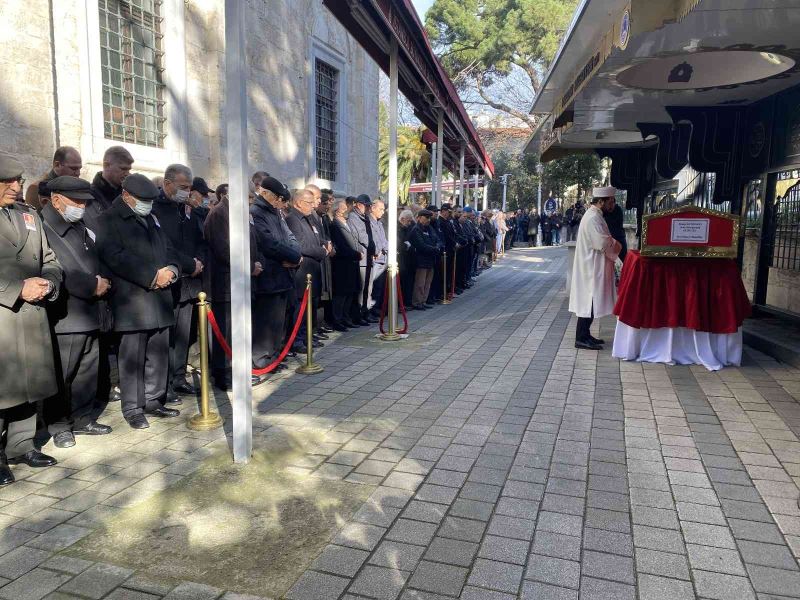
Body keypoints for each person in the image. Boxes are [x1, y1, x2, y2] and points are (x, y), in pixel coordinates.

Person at [95, 174, 181, 429]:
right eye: (143, 200)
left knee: (158, 352)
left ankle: (154, 399)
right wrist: (152, 276)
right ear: (126, 196)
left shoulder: (150, 218)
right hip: (132, 299)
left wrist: (173, 270)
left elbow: (168, 249)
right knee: (132, 357)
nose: (148, 205)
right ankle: (132, 407)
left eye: (150, 201)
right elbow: (114, 256)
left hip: (161, 297)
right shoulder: (108, 220)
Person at [0, 154, 62, 483]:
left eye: (18, 180)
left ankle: (22, 445)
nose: (16, 186)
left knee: (28, 384)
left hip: (32, 313)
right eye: (7, 181)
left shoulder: (28, 215)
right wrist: (16, 288)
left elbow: (49, 257)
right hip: (4, 316)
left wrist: (48, 282)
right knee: (3, 386)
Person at [42, 176, 114, 448]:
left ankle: (82, 418)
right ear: (57, 199)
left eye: (85, 201)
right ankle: (59, 425)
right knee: (64, 373)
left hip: (91, 310)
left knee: (87, 369)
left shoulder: (79, 224)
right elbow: (56, 267)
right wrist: (91, 284)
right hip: (66, 313)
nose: (82, 206)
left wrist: (103, 280)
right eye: (77, 201)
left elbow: (96, 256)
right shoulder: (45, 225)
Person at [153, 164, 206, 402]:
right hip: (171, 280)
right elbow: (165, 245)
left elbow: (199, 238)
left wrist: (199, 261)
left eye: (189, 188)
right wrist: (188, 263)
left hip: (190, 283)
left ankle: (178, 377)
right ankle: (164, 385)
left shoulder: (187, 210)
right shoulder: (157, 209)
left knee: (184, 335)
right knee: (168, 337)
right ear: (167, 184)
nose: (187, 192)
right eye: (183, 187)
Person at [203, 182, 262, 390]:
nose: (251, 203)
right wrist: (248, 266)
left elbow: (252, 241)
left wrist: (255, 262)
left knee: (240, 329)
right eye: (249, 198)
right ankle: (224, 374)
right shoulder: (219, 214)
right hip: (225, 283)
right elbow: (223, 249)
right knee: (225, 331)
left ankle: (239, 370)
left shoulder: (241, 212)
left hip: (243, 280)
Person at [250, 176, 301, 373]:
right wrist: (293, 256)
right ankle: (262, 359)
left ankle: (273, 356)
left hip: (283, 275)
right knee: (266, 321)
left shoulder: (276, 213)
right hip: (269, 275)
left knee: (278, 321)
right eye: (278, 198)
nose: (281, 202)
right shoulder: (257, 212)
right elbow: (269, 243)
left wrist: (296, 255)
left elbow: (290, 237)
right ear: (266, 194)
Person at [569, 186, 622, 351]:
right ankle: (581, 338)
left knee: (591, 302)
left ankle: (585, 335)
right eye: (610, 201)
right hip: (591, 267)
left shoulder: (595, 215)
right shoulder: (593, 217)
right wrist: (616, 244)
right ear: (601, 202)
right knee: (589, 302)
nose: (612, 205)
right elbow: (601, 242)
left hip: (593, 265)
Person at [285, 189, 327, 351]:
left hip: (313, 272)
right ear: (298, 203)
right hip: (302, 273)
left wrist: (324, 244)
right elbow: (301, 245)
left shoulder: (309, 219)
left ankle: (307, 336)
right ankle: (297, 340)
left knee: (310, 309)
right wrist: (323, 251)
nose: (312, 206)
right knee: (300, 309)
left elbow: (316, 238)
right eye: (308, 203)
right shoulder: (293, 219)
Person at [329, 198, 361, 331]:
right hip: (342, 264)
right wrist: (356, 254)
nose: (346, 210)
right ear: (337, 211)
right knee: (341, 294)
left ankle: (346, 317)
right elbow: (342, 246)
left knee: (350, 292)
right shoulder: (335, 225)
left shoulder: (346, 223)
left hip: (352, 263)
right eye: (343, 209)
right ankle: (338, 319)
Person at [25, 146, 83, 211]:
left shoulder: (76, 188)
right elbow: (34, 218)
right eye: (73, 168)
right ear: (57, 165)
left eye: (79, 168)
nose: (78, 173)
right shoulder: (36, 189)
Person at [347, 194, 375, 324]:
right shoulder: (354, 217)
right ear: (359, 205)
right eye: (367, 205)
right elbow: (362, 237)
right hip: (362, 257)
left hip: (369, 257)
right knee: (361, 289)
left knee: (367, 289)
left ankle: (365, 312)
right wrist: (372, 247)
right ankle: (358, 315)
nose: (369, 208)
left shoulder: (365, 217)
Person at [409, 209, 440, 310]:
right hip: (421, 261)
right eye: (426, 217)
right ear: (419, 217)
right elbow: (421, 245)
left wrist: (437, 246)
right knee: (420, 283)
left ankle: (423, 300)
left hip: (430, 260)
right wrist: (435, 249)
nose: (428, 220)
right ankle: (417, 302)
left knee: (427, 283)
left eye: (429, 218)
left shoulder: (429, 228)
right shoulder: (416, 229)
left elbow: (436, 239)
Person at [368, 199, 388, 318]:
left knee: (379, 287)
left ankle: (376, 308)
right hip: (375, 259)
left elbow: (383, 240)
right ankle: (370, 310)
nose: (382, 212)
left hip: (382, 258)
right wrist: (379, 249)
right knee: (372, 287)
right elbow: (373, 240)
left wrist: (386, 248)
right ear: (373, 208)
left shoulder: (379, 223)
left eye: (383, 210)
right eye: (380, 209)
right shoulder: (369, 222)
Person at [398, 209, 416, 308]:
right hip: (400, 259)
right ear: (403, 219)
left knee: (406, 283)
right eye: (408, 221)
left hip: (406, 260)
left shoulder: (405, 228)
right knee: (401, 283)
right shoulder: (398, 228)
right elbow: (400, 243)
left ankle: (404, 303)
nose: (409, 223)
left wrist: (408, 245)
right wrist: (406, 245)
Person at [603, 194, 627, 262]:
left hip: (619, 239)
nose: (610, 205)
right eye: (609, 203)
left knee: (623, 260)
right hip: (609, 241)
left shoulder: (618, 210)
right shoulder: (604, 211)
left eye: (612, 202)